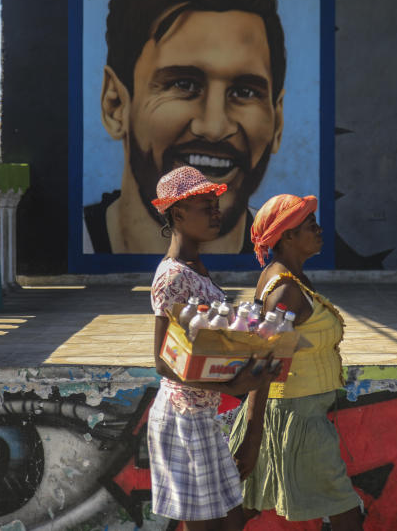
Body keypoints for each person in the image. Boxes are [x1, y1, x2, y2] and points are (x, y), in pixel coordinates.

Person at [84, 0, 287, 255]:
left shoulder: (285, 254)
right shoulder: (70, 243)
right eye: (183, 84)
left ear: (277, 122)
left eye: (244, 92)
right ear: (115, 105)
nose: (214, 127)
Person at [148, 166, 278, 530]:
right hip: (182, 417)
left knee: (228, 523)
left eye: (216, 204)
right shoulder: (174, 276)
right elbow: (162, 360)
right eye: (207, 206)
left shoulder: (195, 268)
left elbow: (199, 347)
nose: (217, 212)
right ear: (178, 213)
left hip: (197, 416)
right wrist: (232, 387)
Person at [228, 194, 363, 529]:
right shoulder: (285, 292)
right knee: (345, 509)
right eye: (311, 227)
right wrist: (253, 438)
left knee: (240, 509)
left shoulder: (288, 279)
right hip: (295, 418)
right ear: (287, 236)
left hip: (288, 414)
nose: (319, 232)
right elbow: (265, 359)